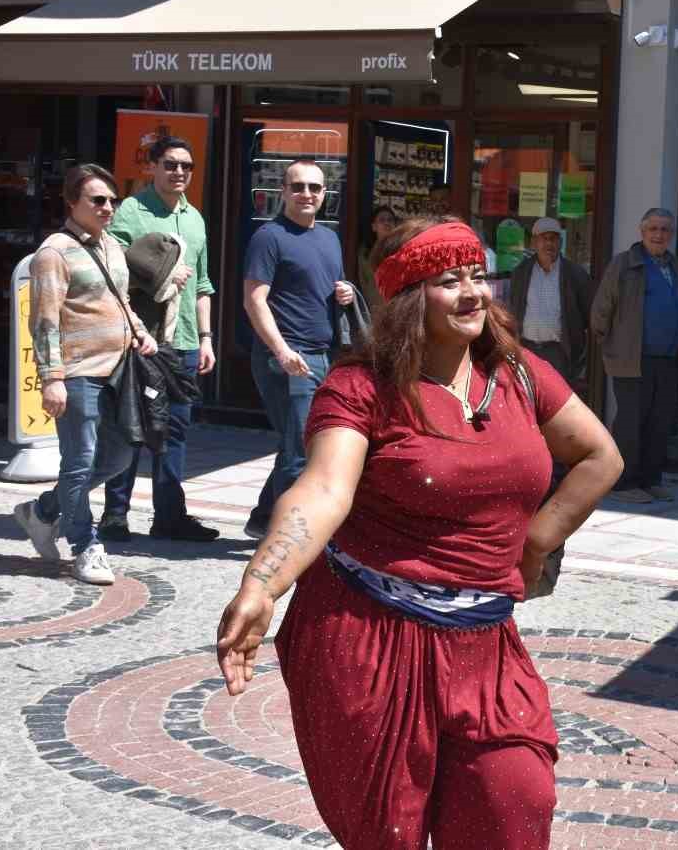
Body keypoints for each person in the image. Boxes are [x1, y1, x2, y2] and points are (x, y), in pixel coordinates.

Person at [215, 217, 622, 850]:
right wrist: (262, 584)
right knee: (388, 834)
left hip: (485, 641)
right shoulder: (361, 388)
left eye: (478, 275)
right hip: (369, 639)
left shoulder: (518, 375)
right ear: (408, 299)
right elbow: (324, 490)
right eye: (449, 280)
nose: (473, 293)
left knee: (515, 802)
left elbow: (600, 456)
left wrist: (536, 543)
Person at [14, 165, 158, 585]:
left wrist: (140, 332)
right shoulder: (53, 253)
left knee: (119, 456)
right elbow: (44, 322)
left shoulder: (111, 245)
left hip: (118, 372)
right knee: (79, 462)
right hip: (77, 374)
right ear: (72, 203)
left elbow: (121, 301)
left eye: (112, 199)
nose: (108, 207)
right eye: (98, 200)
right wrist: (52, 378)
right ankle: (85, 545)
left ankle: (42, 511)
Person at [98, 136, 219, 543]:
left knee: (175, 432)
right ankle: (115, 515)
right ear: (151, 166)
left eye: (187, 165)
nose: (179, 172)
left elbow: (203, 284)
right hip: (140, 338)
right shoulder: (131, 212)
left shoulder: (195, 218)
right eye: (170, 164)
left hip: (183, 341)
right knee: (132, 426)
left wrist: (206, 338)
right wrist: (158, 276)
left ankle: (169, 516)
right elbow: (110, 274)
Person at [242, 159, 352, 538]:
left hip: (323, 355)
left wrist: (346, 292)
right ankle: (288, 537)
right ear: (284, 191)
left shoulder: (329, 237)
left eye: (315, 188)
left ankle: (262, 518)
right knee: (302, 450)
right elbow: (254, 300)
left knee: (297, 441)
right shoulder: (269, 237)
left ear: (324, 195)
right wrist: (282, 351)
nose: (307, 194)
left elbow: (327, 288)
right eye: (299, 186)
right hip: (288, 357)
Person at [590, 208, 678, 504]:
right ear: (642, 231)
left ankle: (651, 479)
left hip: (667, 360)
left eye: (665, 230)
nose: (659, 235)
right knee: (631, 423)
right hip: (632, 361)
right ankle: (624, 483)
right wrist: (612, 347)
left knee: (659, 422)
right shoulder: (625, 264)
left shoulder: (673, 265)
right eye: (654, 229)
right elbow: (601, 311)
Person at [508, 217, 594, 400]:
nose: (549, 243)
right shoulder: (521, 272)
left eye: (553, 238)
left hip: (559, 353)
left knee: (557, 404)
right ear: (533, 242)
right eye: (543, 238)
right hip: (527, 349)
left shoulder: (574, 274)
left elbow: (588, 316)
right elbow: (513, 309)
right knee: (527, 400)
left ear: (560, 242)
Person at [357, 204, 398, 312]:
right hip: (373, 309)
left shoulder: (401, 249)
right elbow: (363, 282)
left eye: (390, 220)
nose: (386, 223)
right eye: (382, 220)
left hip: (396, 308)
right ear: (374, 227)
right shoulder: (365, 252)